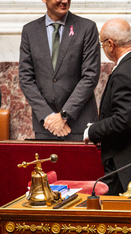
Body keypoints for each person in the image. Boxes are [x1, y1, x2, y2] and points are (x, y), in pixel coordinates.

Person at [84, 18, 131, 195]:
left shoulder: (123, 73)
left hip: (124, 165)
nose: (102, 48)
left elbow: (123, 120)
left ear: (110, 44)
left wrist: (92, 131)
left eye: (102, 43)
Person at [19, 0, 100, 141]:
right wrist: (47, 116)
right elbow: (26, 78)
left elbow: (90, 76)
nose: (64, 1)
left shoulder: (87, 28)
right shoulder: (30, 31)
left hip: (80, 125)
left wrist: (64, 115)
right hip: (46, 126)